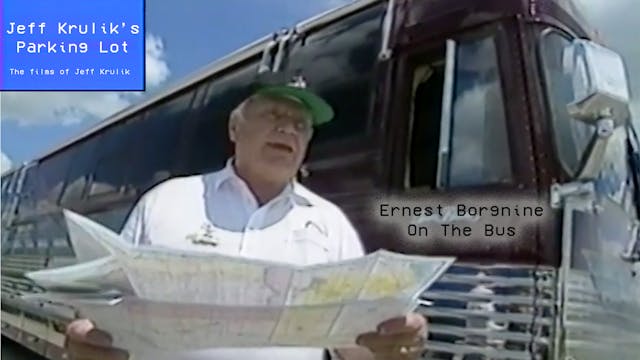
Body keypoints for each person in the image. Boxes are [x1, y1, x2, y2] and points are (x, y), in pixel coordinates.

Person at [63, 76, 428, 360]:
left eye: (301, 125)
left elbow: (353, 346)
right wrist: (86, 337)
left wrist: (393, 345)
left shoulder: (331, 224)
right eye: (274, 115)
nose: (288, 128)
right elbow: (104, 311)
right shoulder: (165, 201)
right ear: (235, 129)